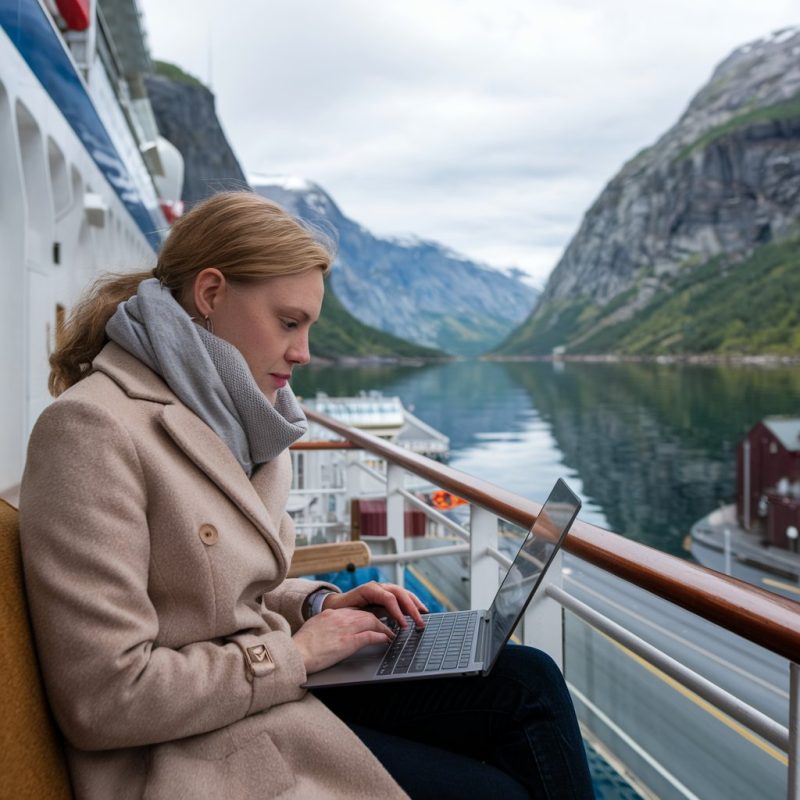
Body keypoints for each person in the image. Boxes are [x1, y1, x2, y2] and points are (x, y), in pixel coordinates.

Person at [19, 191, 594, 799]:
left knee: (526, 681)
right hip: (190, 749)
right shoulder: (92, 430)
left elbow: (218, 594)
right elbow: (106, 699)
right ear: (210, 295)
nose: (304, 352)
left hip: (253, 698)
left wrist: (320, 608)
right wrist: (294, 656)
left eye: (308, 326)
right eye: (289, 322)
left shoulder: (233, 416)